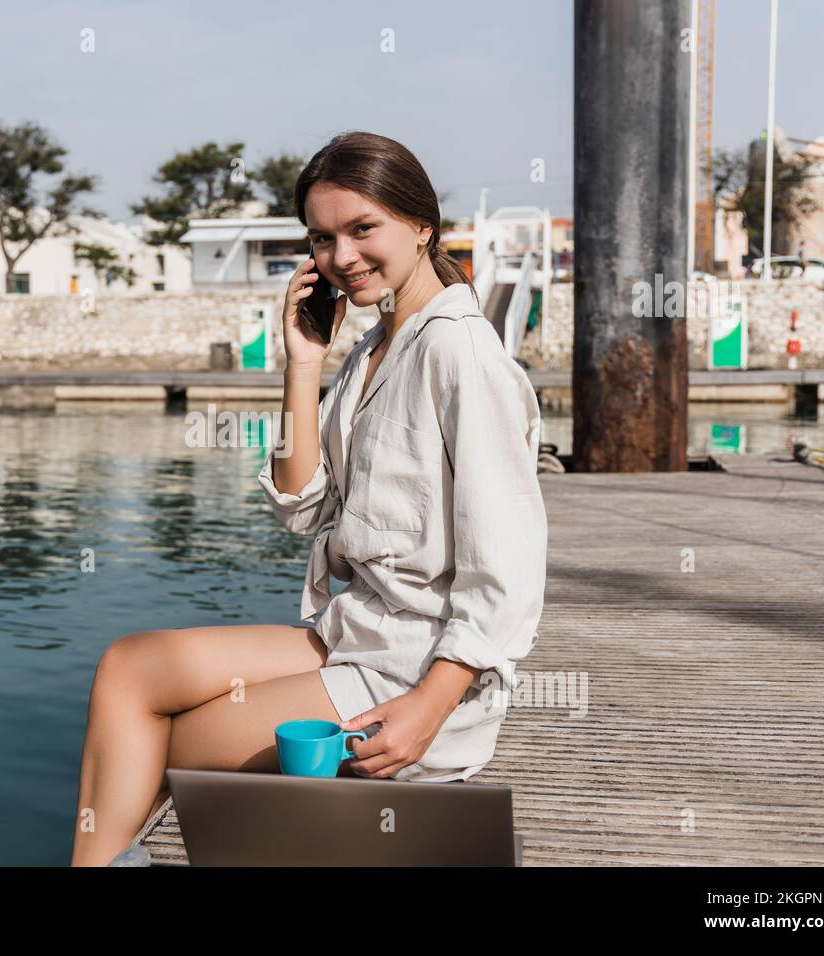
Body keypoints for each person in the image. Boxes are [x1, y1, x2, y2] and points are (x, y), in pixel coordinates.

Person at [70, 131, 548, 867]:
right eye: (322, 239)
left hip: (415, 676)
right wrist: (302, 361)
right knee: (131, 668)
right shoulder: (375, 345)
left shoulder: (459, 351)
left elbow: (509, 571)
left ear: (421, 224)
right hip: (353, 633)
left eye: (363, 229)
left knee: (179, 742)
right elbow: (301, 507)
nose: (341, 257)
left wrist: (427, 709)